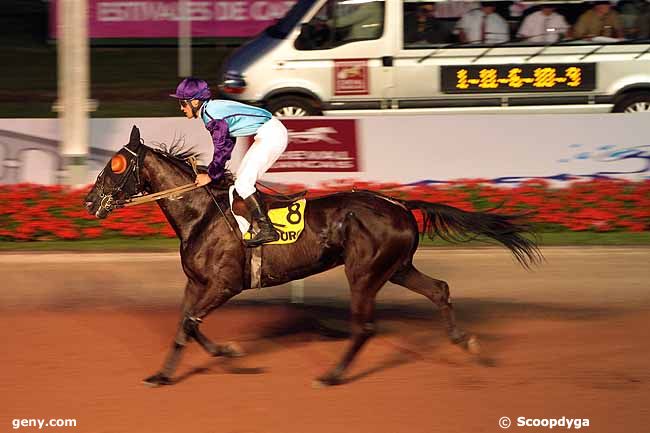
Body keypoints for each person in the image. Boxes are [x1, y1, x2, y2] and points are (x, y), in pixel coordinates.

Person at [170, 77, 287, 247]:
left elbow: (222, 146)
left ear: (195, 102)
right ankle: (252, 229)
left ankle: (267, 229)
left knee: (243, 185)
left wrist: (211, 175)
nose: (181, 108)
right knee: (240, 182)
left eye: (183, 103)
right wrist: (215, 171)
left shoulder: (211, 115)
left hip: (272, 135)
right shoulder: (211, 110)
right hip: (269, 133)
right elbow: (228, 142)